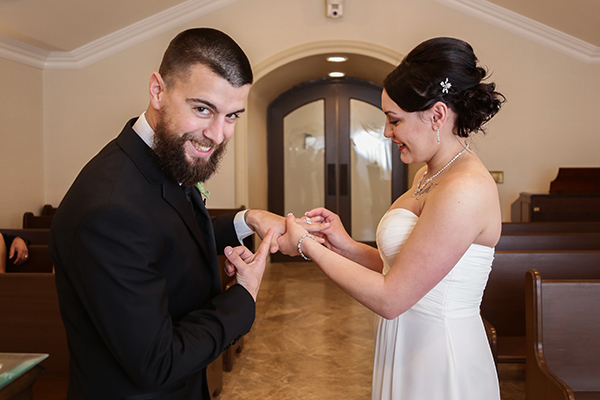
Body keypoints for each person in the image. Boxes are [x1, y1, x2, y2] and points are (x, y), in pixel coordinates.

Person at [48, 28, 287, 400]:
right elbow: (156, 362)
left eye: (232, 115)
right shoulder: (110, 211)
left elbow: (170, 231)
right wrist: (244, 293)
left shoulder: (161, 156)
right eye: (203, 109)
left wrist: (248, 220)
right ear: (158, 91)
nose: (218, 134)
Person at [277, 37, 505, 400]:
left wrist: (306, 245)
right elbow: (403, 267)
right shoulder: (431, 174)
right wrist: (344, 245)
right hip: (407, 343)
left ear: (437, 115)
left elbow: (392, 297)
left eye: (394, 120)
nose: (387, 133)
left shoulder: (465, 189)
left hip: (440, 357)